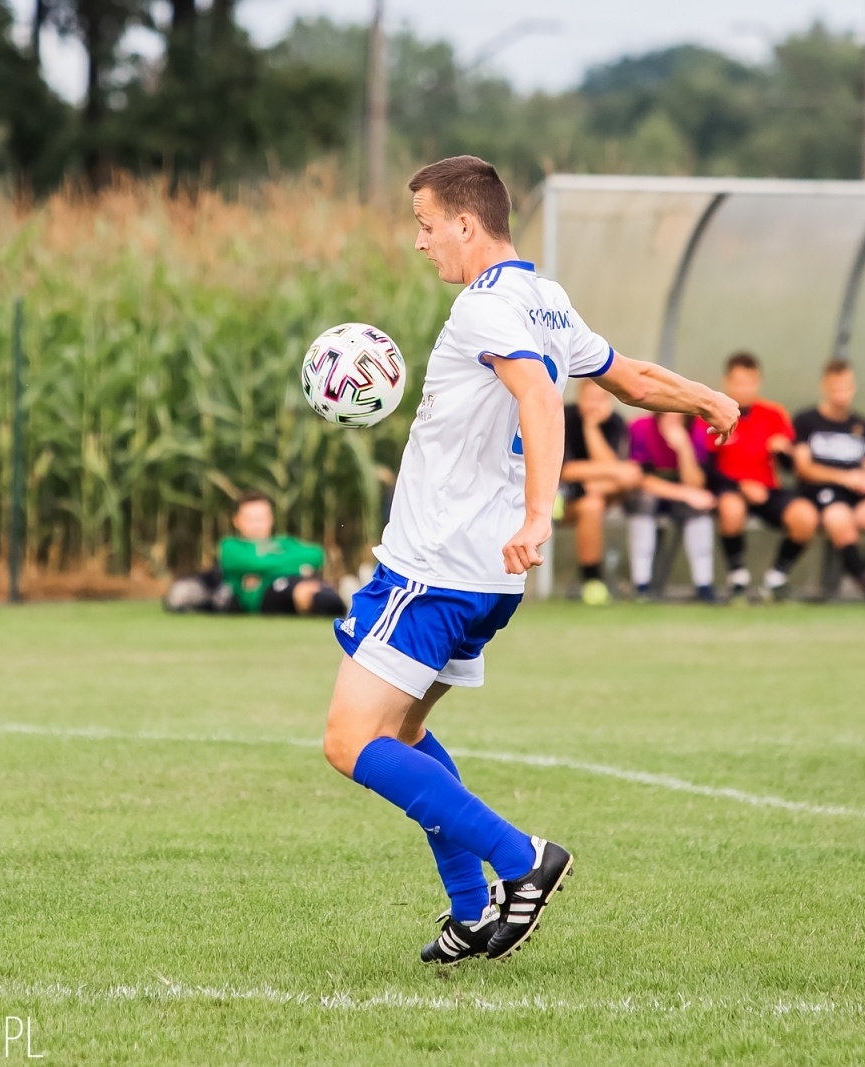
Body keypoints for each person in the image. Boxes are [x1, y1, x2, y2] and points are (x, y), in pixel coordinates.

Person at [321, 155, 738, 966]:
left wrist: (537, 511)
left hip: (434, 568)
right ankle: (471, 910)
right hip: (488, 579)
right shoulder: (544, 300)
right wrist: (708, 398)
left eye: (426, 223)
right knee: (404, 730)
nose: (420, 242)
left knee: (349, 741)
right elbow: (631, 379)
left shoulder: (485, 309)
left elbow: (541, 399)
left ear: (467, 224)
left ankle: (522, 859)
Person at [792, 360, 865, 603]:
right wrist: (844, 477)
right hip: (822, 494)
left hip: (858, 496)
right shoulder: (806, 420)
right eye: (836, 387)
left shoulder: (863, 426)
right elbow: (803, 468)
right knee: (838, 518)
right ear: (825, 386)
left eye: (846, 387)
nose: (841, 393)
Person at [708, 352, 818, 602]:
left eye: (750, 382)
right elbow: (708, 470)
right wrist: (740, 485)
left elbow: (791, 468)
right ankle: (738, 579)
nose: (744, 388)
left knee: (806, 517)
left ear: (758, 382)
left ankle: (776, 580)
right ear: (727, 382)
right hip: (731, 488)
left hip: (768, 489)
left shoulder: (774, 414)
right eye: (738, 382)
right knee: (731, 509)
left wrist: (785, 452)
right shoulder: (715, 413)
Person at [162, 490, 345, 617]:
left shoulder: (285, 542)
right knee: (303, 593)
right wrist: (293, 565)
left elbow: (317, 555)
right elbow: (253, 563)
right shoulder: (232, 546)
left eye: (262, 518)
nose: (257, 525)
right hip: (265, 593)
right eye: (250, 519)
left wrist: (267, 563)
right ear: (237, 521)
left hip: (302, 582)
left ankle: (351, 598)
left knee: (315, 590)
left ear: (271, 518)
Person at [560, 378, 642, 605]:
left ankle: (586, 490)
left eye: (600, 399)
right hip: (562, 499)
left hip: (604, 495)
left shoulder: (615, 423)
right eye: (590, 398)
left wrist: (591, 427)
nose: (595, 405)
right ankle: (592, 581)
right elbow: (566, 471)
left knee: (627, 478)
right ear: (580, 398)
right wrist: (613, 472)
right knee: (593, 503)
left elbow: (615, 471)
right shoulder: (564, 417)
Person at [626, 412, 717, 601]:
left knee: (700, 507)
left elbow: (696, 484)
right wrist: (685, 493)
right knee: (644, 501)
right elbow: (639, 479)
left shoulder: (699, 430)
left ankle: (704, 584)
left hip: (683, 496)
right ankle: (641, 584)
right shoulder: (641, 427)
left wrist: (684, 448)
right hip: (651, 496)